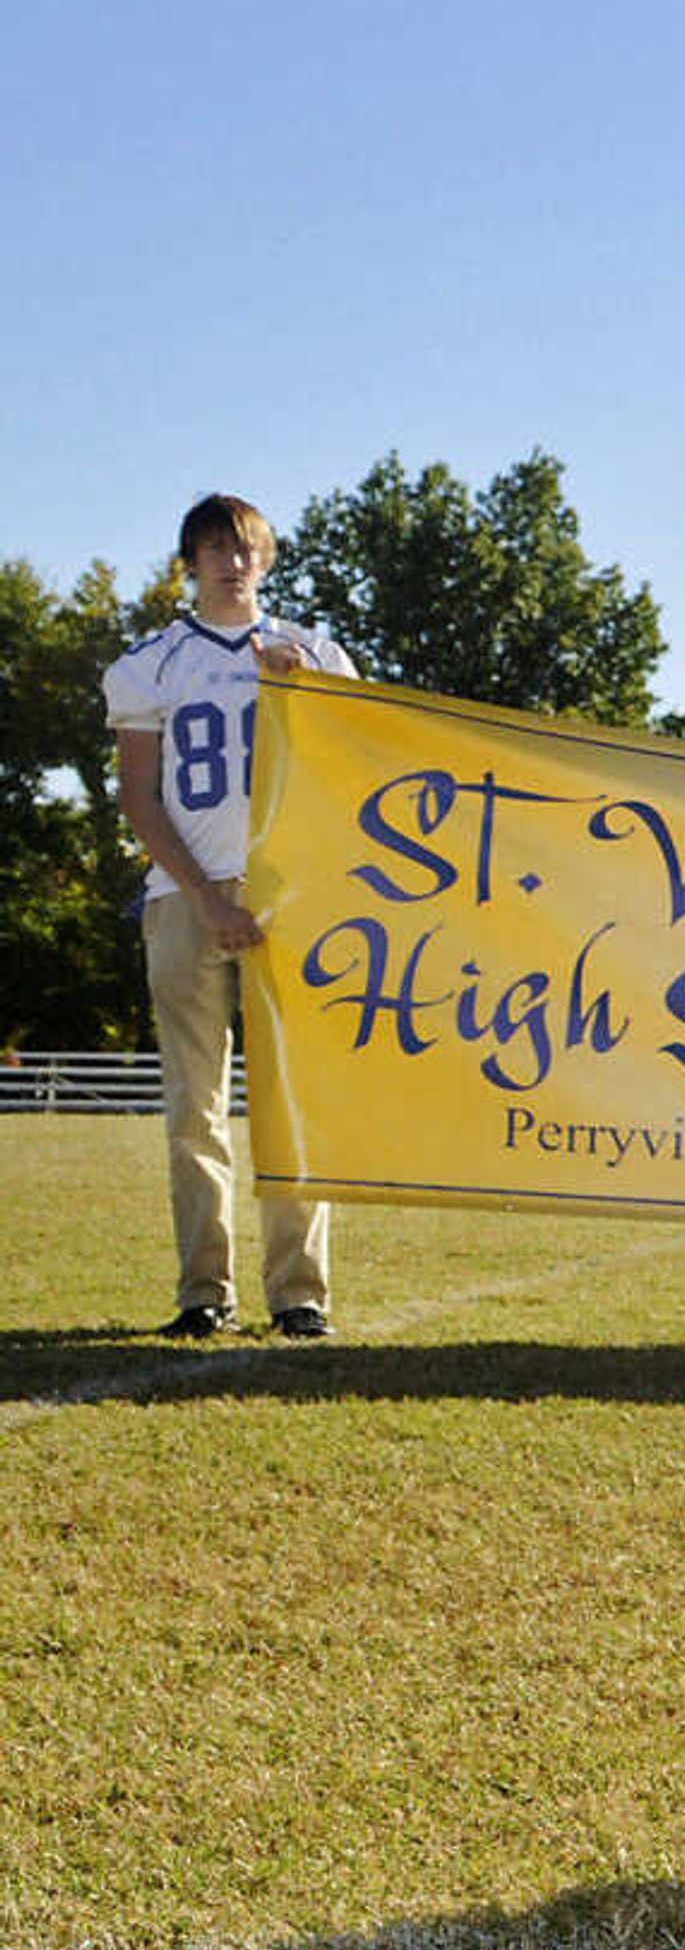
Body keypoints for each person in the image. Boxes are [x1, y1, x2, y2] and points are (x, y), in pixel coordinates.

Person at [102, 493, 362, 1339]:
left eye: (246, 548)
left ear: (269, 560)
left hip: (290, 895)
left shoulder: (316, 652)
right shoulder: (152, 664)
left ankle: (301, 1294)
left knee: (292, 1101)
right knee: (193, 1108)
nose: (233, 562)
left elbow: (360, 763)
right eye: (216, 548)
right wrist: (209, 896)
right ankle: (203, 1291)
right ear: (190, 562)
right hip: (185, 895)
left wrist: (307, 691)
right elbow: (139, 796)